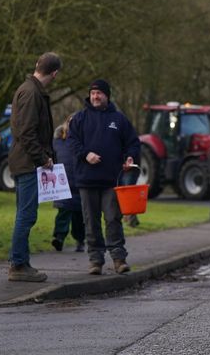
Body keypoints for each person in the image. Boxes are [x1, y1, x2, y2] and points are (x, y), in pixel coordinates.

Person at [67, 79, 140, 275]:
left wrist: (130, 156)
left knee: (113, 219)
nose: (95, 97)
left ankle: (118, 259)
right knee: (91, 222)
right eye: (92, 93)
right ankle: (95, 261)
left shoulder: (119, 119)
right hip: (86, 180)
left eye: (99, 93)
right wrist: (85, 154)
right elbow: (72, 142)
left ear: (107, 96)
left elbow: (132, 143)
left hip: (111, 180)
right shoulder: (79, 119)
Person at [7, 52, 61, 282]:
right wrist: (42, 158)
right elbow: (27, 133)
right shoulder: (32, 93)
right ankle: (18, 265)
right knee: (26, 215)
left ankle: (21, 262)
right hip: (28, 163)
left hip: (22, 160)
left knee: (24, 214)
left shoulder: (27, 89)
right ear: (55, 73)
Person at [51, 116, 85, 252]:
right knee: (63, 213)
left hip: (79, 183)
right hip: (62, 183)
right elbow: (51, 157)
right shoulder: (57, 141)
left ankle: (80, 240)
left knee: (79, 216)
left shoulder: (83, 142)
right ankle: (59, 238)